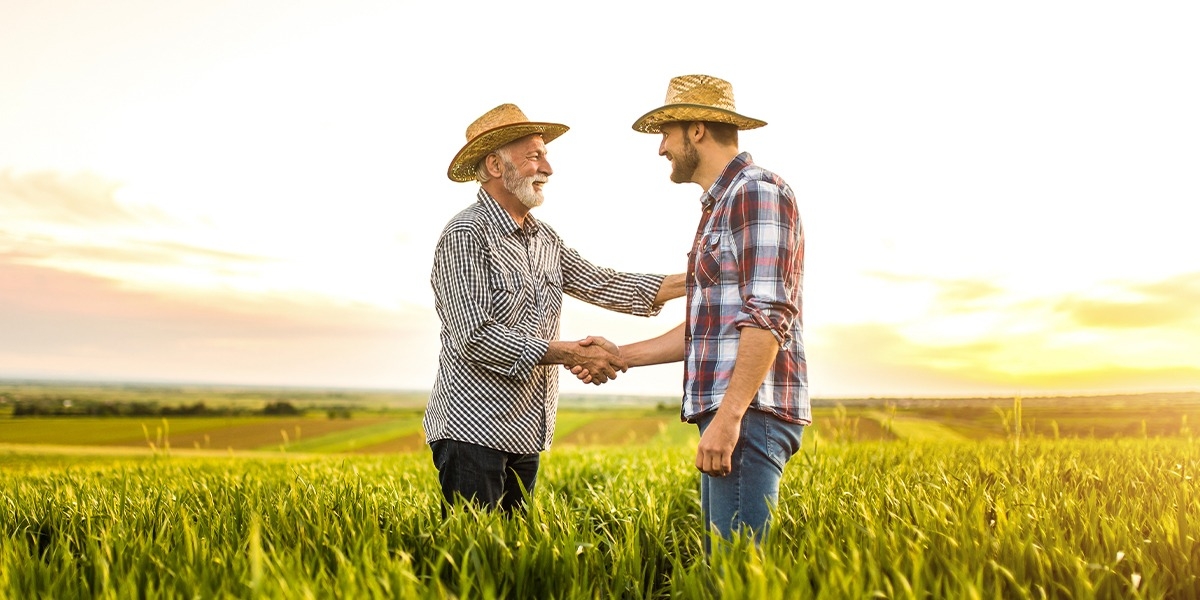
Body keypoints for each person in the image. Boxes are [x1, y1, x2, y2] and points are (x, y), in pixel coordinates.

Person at [577, 75, 809, 549]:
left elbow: (768, 315)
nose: (661, 148)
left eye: (667, 133)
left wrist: (729, 417)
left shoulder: (756, 191)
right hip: (736, 412)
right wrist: (619, 354)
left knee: (734, 574)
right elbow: (706, 331)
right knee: (719, 567)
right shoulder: (720, 206)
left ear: (697, 130)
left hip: (748, 414)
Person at [427, 103, 685, 514]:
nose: (547, 167)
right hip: (471, 432)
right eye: (534, 155)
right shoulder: (465, 234)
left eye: (544, 154)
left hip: (525, 432)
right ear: (495, 164)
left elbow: (603, 282)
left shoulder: (545, 239)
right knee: (474, 564)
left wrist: (696, 278)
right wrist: (567, 352)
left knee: (516, 562)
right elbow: (474, 338)